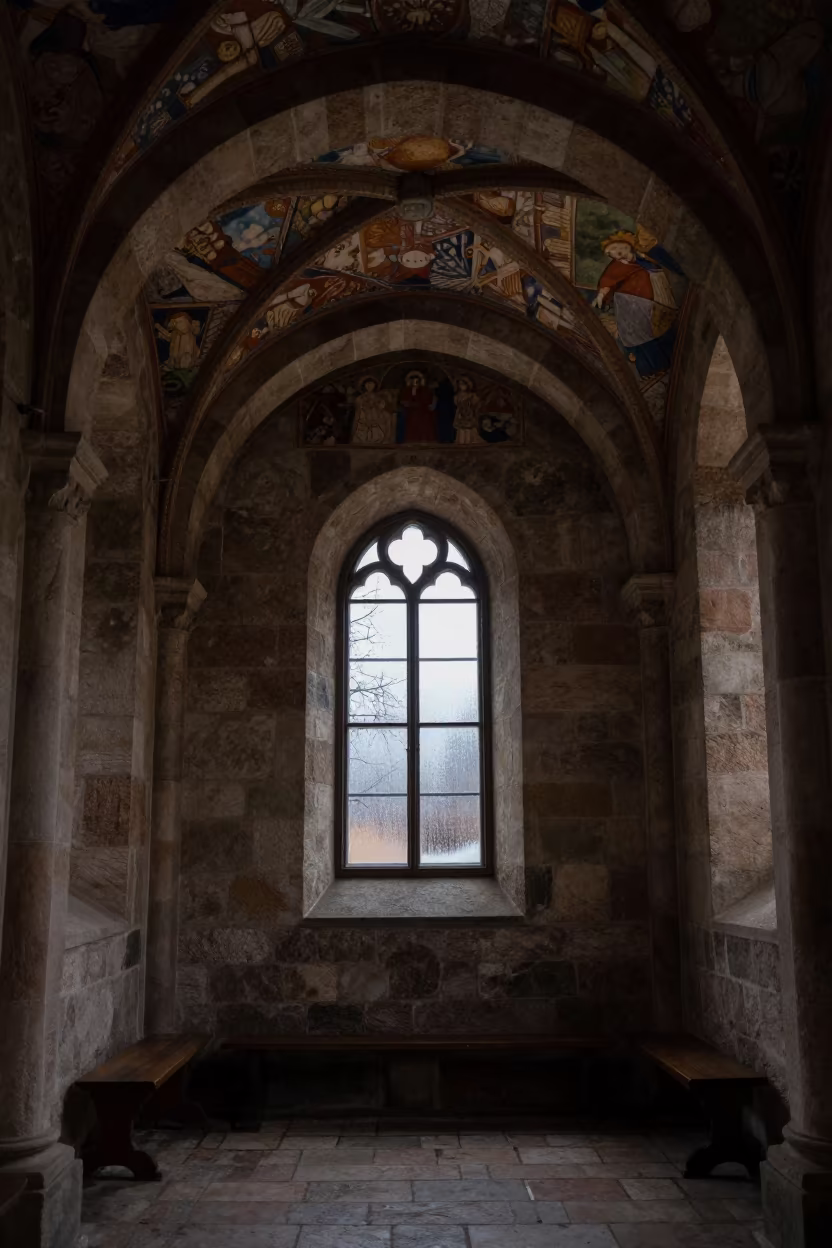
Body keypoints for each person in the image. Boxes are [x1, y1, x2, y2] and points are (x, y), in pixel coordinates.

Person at [593, 229, 679, 378]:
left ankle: (668, 357)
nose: (616, 254)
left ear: (628, 244)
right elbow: (607, 281)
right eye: (612, 253)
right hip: (631, 301)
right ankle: (653, 367)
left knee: (659, 326)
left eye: (618, 249)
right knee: (639, 333)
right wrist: (600, 295)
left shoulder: (643, 257)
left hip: (655, 298)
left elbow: (659, 265)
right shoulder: (617, 266)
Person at [351, 377, 396, 444]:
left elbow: (383, 408)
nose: (369, 386)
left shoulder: (379, 397)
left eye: (371, 384)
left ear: (375, 385)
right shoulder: (360, 398)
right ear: (364, 386)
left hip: (376, 418)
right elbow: (358, 410)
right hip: (363, 419)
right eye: (367, 384)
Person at [398, 371, 437, 443]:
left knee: (424, 424)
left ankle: (423, 440)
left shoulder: (425, 390)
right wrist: (407, 403)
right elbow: (403, 400)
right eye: (413, 381)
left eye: (417, 381)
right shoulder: (407, 390)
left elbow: (427, 401)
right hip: (410, 412)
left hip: (422, 411)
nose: (415, 383)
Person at [452, 376, 484, 445]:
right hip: (461, 415)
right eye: (460, 384)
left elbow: (477, 405)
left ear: (468, 385)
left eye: (463, 384)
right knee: (461, 430)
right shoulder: (457, 396)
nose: (462, 386)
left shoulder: (472, 396)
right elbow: (457, 404)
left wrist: (473, 413)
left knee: (469, 430)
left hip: (469, 415)